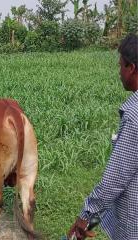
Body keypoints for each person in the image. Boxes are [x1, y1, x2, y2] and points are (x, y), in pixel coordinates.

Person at [68, 33, 138, 239]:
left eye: (120, 66)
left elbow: (116, 179)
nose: (119, 72)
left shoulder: (134, 115)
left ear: (131, 68)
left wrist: (86, 216)